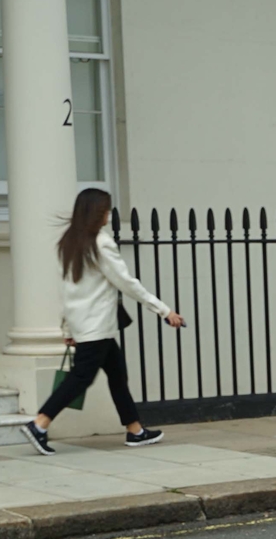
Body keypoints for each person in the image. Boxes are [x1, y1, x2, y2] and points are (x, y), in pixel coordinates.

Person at [23, 187, 184, 454]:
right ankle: (39, 423)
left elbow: (66, 289)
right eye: (106, 209)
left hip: (89, 324)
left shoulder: (69, 241)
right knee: (81, 377)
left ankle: (135, 431)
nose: (109, 214)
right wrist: (164, 310)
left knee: (117, 375)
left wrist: (67, 326)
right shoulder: (101, 242)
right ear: (97, 212)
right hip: (96, 325)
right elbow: (127, 283)